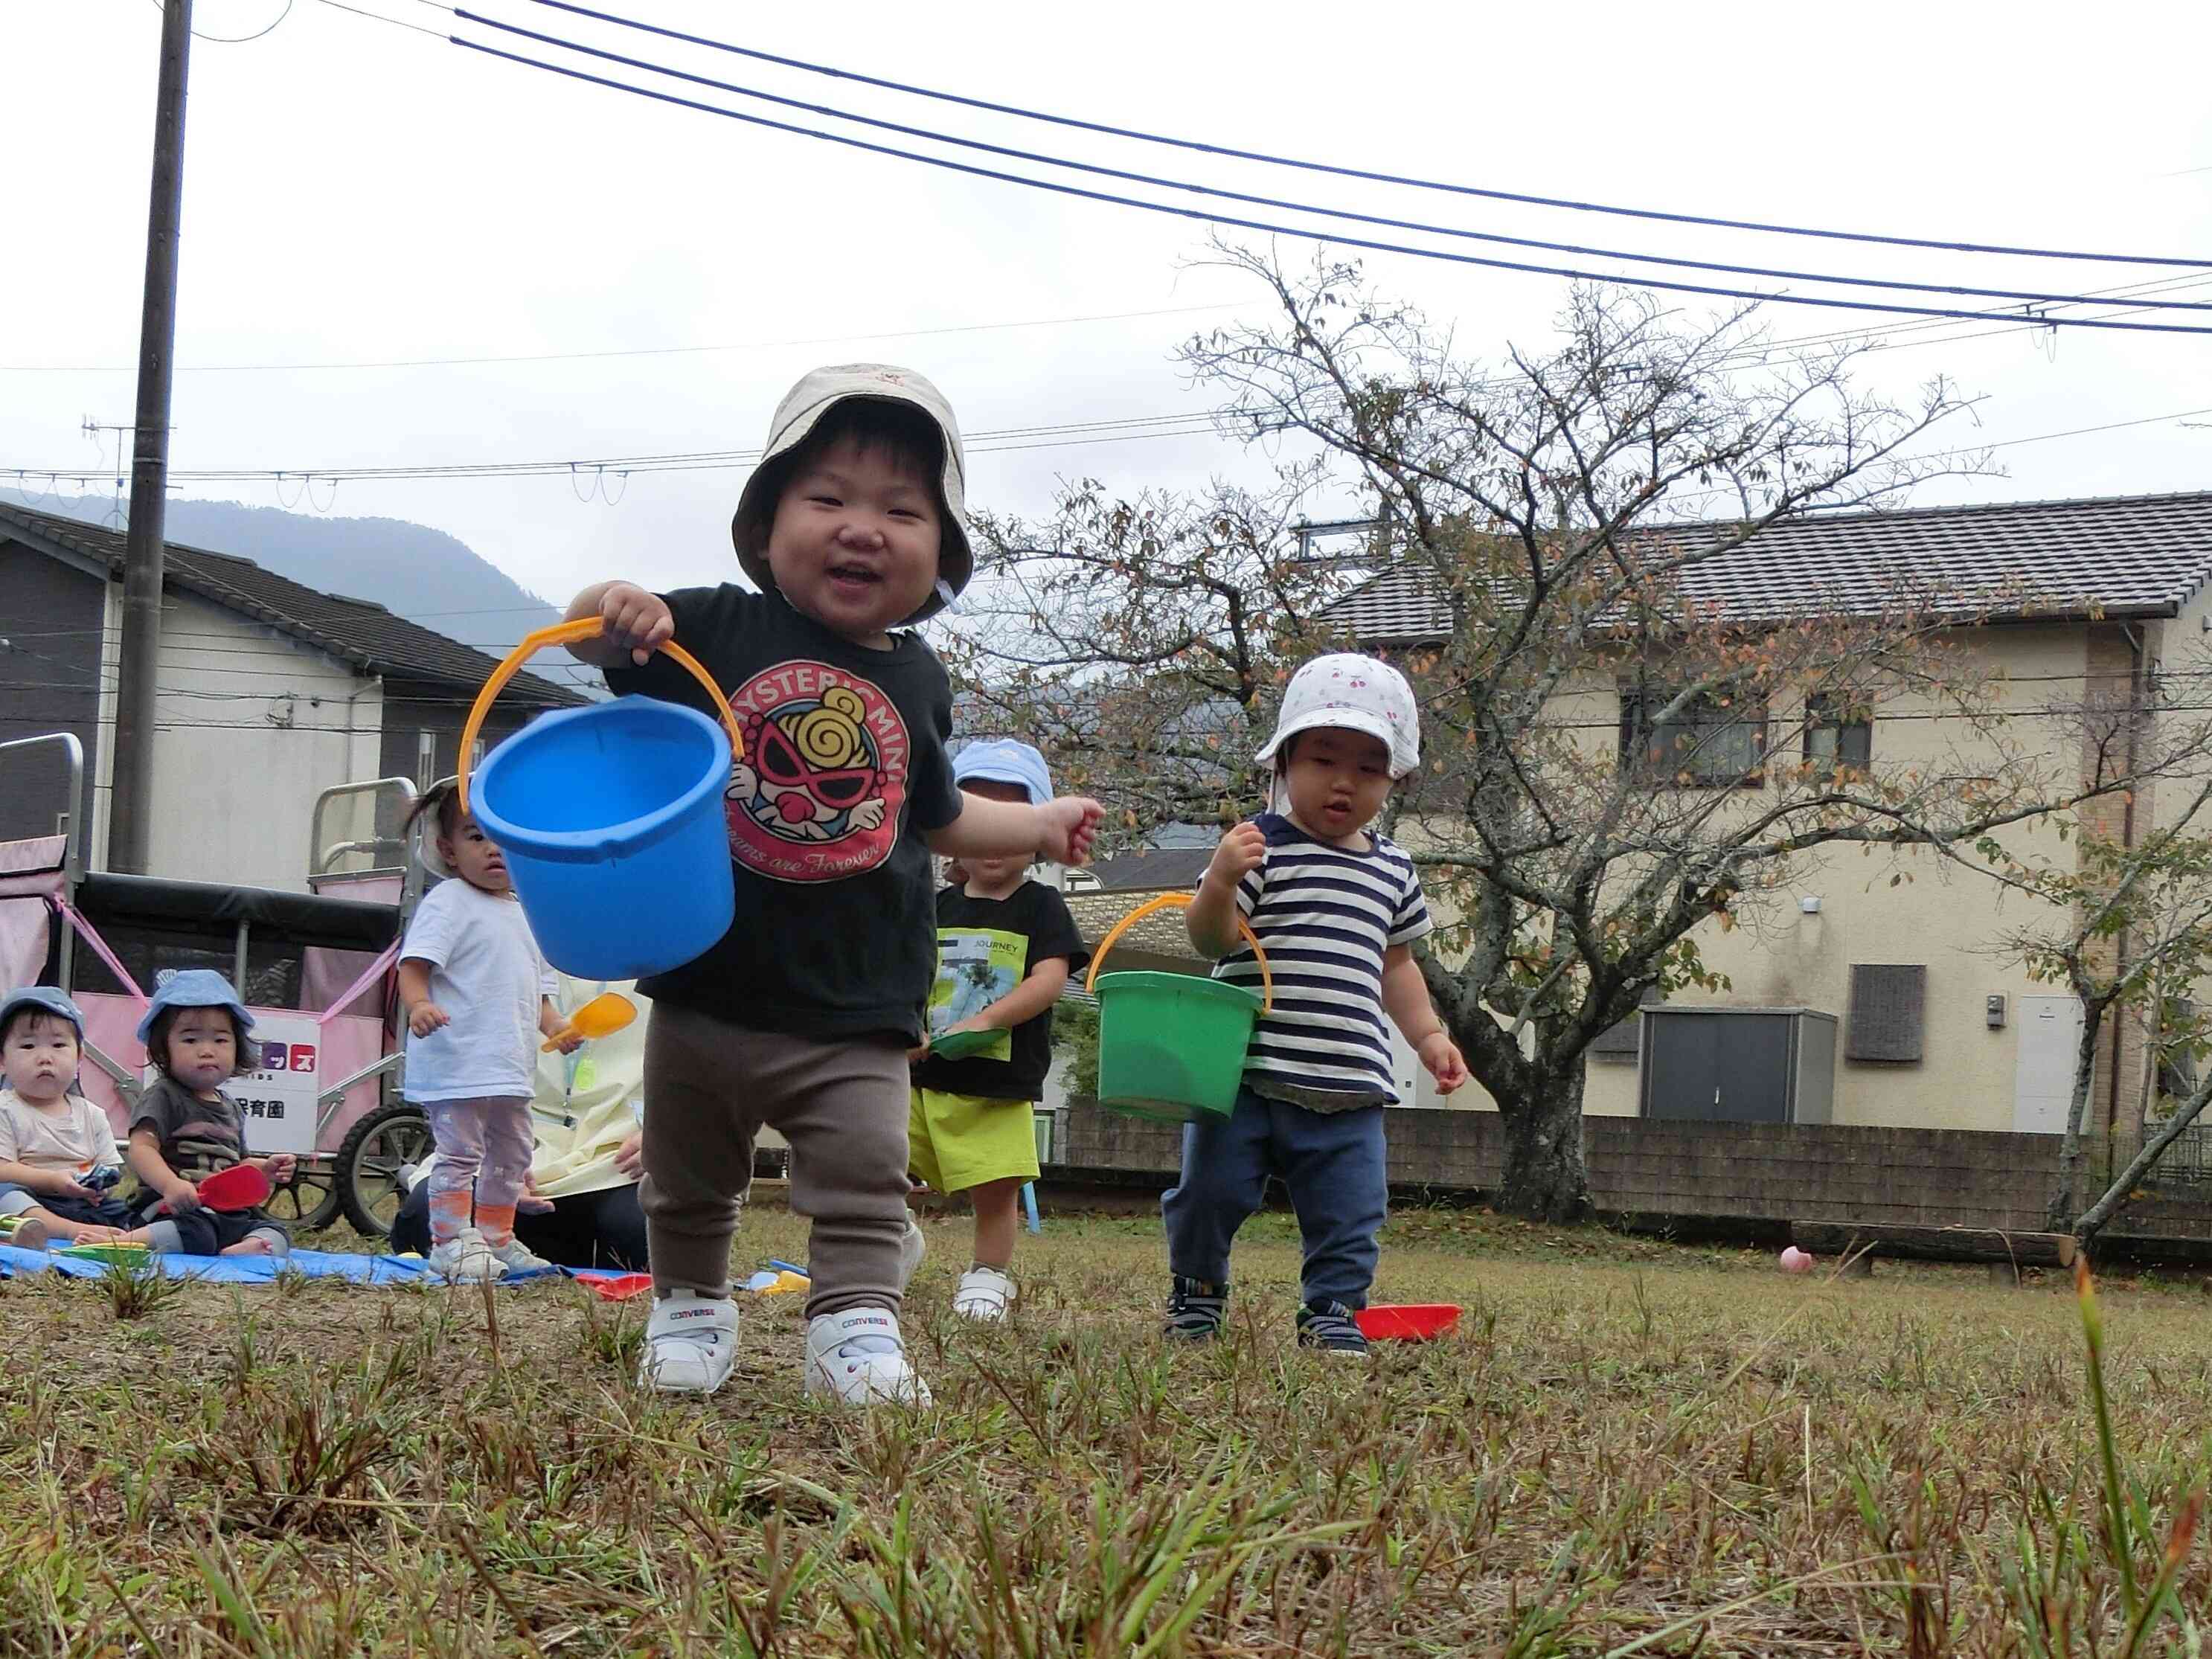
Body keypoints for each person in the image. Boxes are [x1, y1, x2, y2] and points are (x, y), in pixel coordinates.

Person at [563, 363, 1101, 1405]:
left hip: (860, 997)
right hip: (707, 975)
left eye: (902, 510)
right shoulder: (715, 625)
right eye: (828, 498)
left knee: (862, 1172)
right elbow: (589, 639)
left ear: (940, 556)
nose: (863, 527)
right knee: (686, 1178)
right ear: (766, 528)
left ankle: (853, 1325)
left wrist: (1035, 823)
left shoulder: (920, 679)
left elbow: (939, 816)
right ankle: (689, 1307)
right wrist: (611, 605)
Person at [1161, 655, 1470, 1358]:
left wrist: (1427, 1035)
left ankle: (1332, 1310)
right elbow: (1211, 938)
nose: (1343, 782)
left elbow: (1397, 964)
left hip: (1349, 1083)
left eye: (1368, 768)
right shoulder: (1255, 846)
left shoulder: (1393, 867)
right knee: (1207, 1194)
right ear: (1282, 764)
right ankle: (1197, 1293)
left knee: (1351, 1211)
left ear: (1395, 780)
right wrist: (1217, 880)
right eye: (1323, 759)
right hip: (1239, 1077)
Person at [908, 740, 1089, 1321]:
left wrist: (987, 1020)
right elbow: (906, 970)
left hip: (998, 1080)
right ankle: (889, 1241)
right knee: (876, 1166)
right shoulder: (932, 904)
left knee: (996, 1189)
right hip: (919, 1074)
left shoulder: (1041, 907)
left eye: (1010, 818)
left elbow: (1050, 978)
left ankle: (988, 1276)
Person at [398, 780, 581, 1283]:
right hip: (459, 1060)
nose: (494, 849)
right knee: (459, 1154)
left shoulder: (527, 914)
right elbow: (412, 966)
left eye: (506, 839)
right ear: (447, 850)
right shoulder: (449, 902)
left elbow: (538, 995)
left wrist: (559, 1027)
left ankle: (498, 1235)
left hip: (509, 1065)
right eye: (476, 836)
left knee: (513, 1155)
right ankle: (450, 1240)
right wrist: (419, 1005)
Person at [389, 974, 651, 1271]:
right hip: (510, 1152)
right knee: (425, 1217)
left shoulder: (663, 962)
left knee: (641, 1235)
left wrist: (667, 1136)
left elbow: (703, 1081)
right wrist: (498, 1156)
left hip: (613, 1166)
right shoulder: (514, 960)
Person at [126, 971, 296, 1258]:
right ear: (163, 1050)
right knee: (196, 1233)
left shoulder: (231, 1106)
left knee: (275, 1231)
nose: (207, 1051)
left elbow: (235, 1162)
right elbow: (141, 1148)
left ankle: (245, 1249)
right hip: (173, 1208)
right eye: (191, 1040)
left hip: (226, 1210)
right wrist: (170, 1185)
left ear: (238, 1047)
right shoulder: (163, 1095)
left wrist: (264, 1168)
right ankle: (127, 1240)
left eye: (220, 1040)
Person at [0, 986, 165, 1251]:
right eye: (28, 1046)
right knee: (6, 1197)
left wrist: (97, 1186)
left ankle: (120, 1237)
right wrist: (53, 1181)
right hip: (33, 1197)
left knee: (129, 1209)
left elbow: (111, 1169)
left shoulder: (92, 1114)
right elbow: (3, 1168)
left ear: (79, 1056)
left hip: (83, 1201)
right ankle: (68, 1231)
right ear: (3, 1060)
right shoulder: (6, 1108)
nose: (45, 1057)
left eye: (58, 1045)